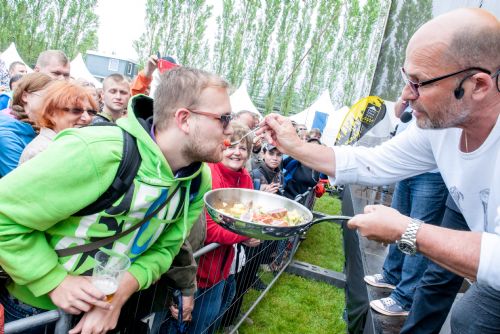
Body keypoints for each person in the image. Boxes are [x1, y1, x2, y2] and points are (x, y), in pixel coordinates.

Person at [259, 8, 499, 333]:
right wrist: (295, 147)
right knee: (467, 319)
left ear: (478, 85)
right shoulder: (441, 129)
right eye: (406, 79)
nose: (407, 95)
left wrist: (408, 231)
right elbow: (374, 162)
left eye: (419, 83)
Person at [0, 66, 233, 334]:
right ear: (184, 119)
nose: (230, 129)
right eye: (224, 118)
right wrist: (53, 280)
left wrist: (122, 290)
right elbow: (4, 215)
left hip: (110, 309)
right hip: (38, 312)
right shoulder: (97, 151)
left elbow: (166, 248)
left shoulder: (197, 179)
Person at [364, 97, 448, 316]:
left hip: (432, 174)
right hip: (407, 167)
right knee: (398, 225)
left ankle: (404, 298)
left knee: (415, 231)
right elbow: (400, 113)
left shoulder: (439, 89)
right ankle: (391, 276)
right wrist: (406, 95)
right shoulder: (414, 92)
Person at [190, 122, 260, 334]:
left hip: (222, 268)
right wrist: (245, 235)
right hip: (195, 269)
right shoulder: (208, 174)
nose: (236, 153)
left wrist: (252, 233)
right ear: (220, 146)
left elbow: (247, 218)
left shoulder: (245, 178)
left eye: (243, 148)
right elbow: (209, 229)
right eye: (231, 146)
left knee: (208, 322)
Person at [19, 81, 97, 163]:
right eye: (76, 110)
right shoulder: (39, 152)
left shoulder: (76, 144)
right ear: (51, 112)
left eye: (91, 112)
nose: (87, 118)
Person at [0, 72, 53, 176]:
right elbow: (20, 181)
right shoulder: (6, 135)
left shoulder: (38, 123)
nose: (52, 104)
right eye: (47, 97)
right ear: (25, 96)